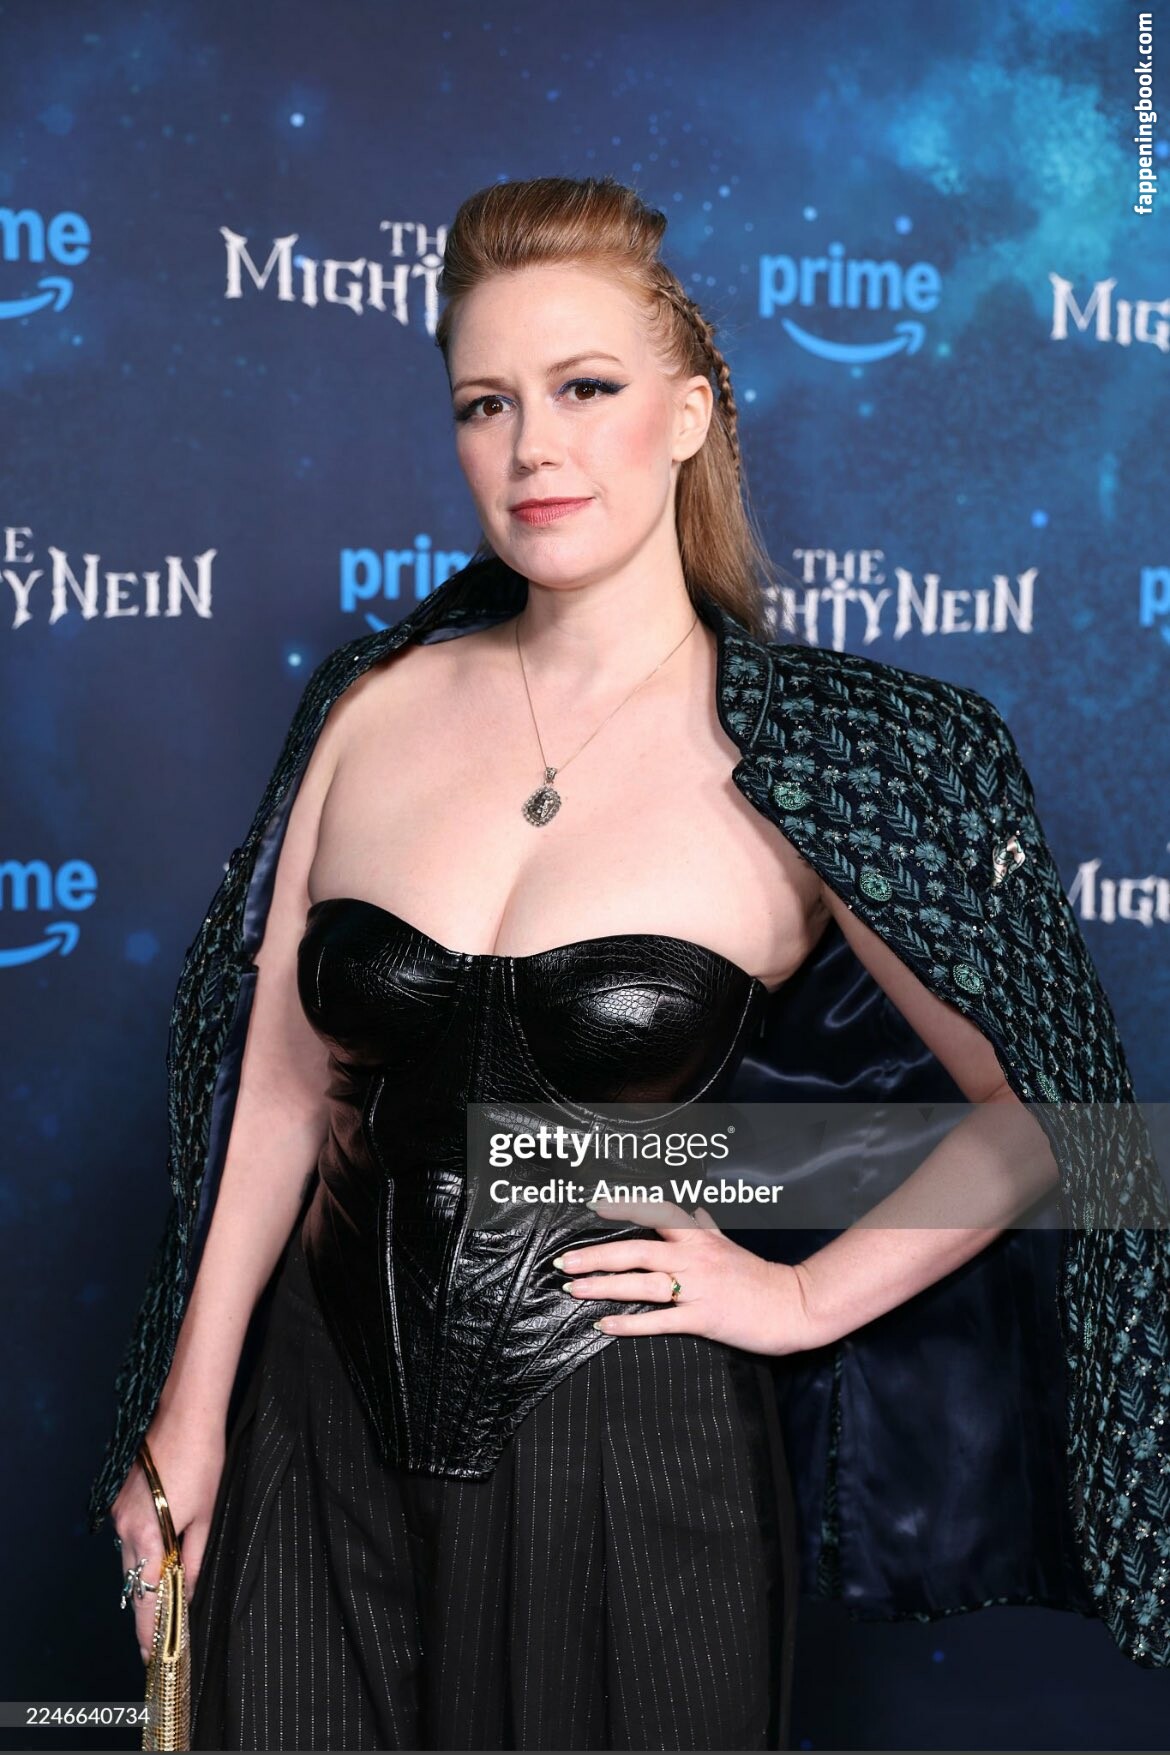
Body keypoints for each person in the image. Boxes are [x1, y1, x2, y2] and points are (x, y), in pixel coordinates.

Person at [92, 174, 1170, 1752]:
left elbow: (1063, 1121)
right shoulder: (368, 707)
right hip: (312, 1426)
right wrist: (188, 1425)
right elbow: (276, 1092)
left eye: (584, 388)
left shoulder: (837, 755)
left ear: (687, 415)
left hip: (630, 1446)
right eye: (486, 403)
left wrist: (799, 1297)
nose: (532, 446)